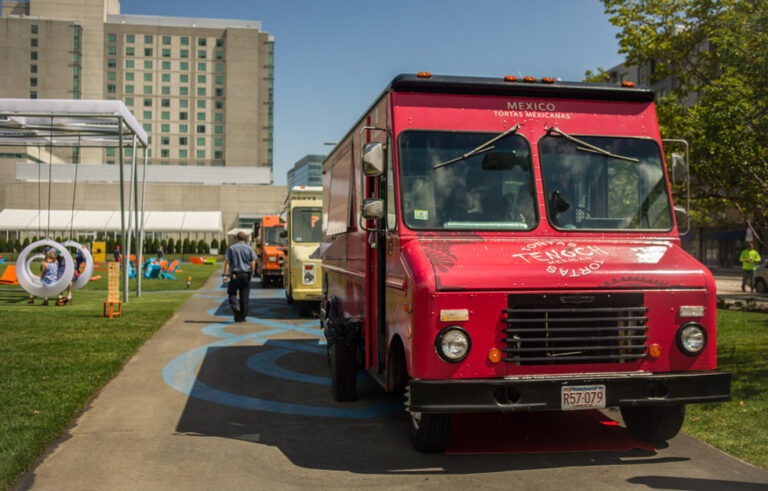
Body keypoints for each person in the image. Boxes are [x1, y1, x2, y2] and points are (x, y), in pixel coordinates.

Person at [223, 231, 257, 322]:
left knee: (232, 292)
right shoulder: (249, 248)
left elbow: (227, 262)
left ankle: (236, 310)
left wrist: (225, 274)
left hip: (235, 274)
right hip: (246, 273)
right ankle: (243, 315)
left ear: (237, 238)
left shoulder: (232, 248)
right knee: (244, 295)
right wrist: (251, 274)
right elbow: (253, 263)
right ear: (245, 238)